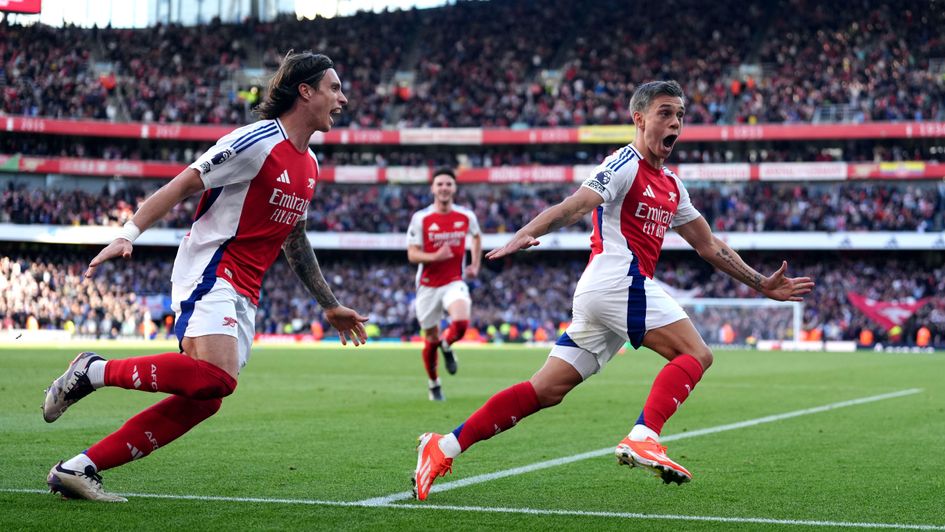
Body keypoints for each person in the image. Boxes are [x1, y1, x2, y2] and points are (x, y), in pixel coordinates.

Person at [412, 80, 814, 500]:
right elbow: (575, 204)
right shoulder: (624, 163)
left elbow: (708, 245)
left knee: (545, 389)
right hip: (617, 278)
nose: (675, 122)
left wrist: (760, 283)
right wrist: (525, 233)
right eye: (664, 113)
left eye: (679, 115)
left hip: (606, 293)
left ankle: (444, 445)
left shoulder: (673, 186)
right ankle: (644, 435)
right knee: (696, 353)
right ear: (639, 119)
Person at [42, 51, 368, 502]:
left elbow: (295, 238)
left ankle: (79, 468)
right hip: (212, 267)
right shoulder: (256, 142)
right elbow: (186, 182)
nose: (343, 99)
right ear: (305, 91)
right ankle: (92, 371)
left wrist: (328, 303)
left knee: (206, 397)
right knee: (218, 377)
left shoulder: (309, 165)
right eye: (334, 88)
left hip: (246, 290)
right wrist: (129, 232)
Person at [406, 168, 482, 401]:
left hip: (453, 281)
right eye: (440, 184)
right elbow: (412, 254)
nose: (444, 188)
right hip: (428, 285)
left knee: (460, 322)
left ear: (454, 188)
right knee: (430, 338)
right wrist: (434, 257)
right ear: (433, 189)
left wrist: (475, 264)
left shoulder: (466, 216)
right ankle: (434, 384)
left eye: (448, 184)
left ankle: (447, 346)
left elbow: (477, 236)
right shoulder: (421, 218)